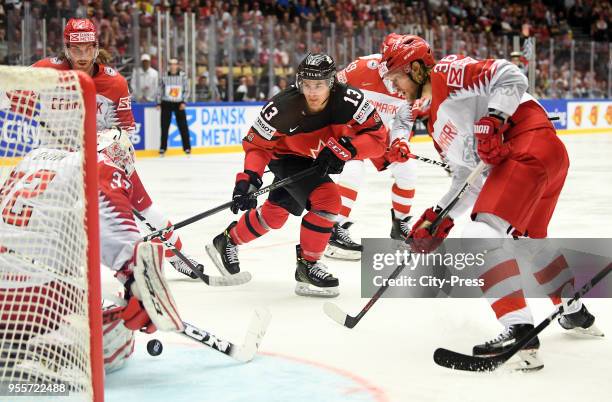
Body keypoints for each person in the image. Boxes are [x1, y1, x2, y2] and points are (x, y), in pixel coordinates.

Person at [380, 34, 602, 370]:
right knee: (530, 243)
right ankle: (574, 313)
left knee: (480, 235)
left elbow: (511, 75)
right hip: (542, 158)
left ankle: (519, 329)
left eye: (397, 77)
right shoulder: (438, 126)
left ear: (415, 68)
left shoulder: (446, 72)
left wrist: (494, 120)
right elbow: (469, 179)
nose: (395, 87)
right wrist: (439, 217)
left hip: (529, 144)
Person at [0, 127, 183, 377]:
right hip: (36, 299)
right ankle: (49, 352)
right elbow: (110, 225)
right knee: (120, 339)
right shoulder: (101, 163)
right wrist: (137, 282)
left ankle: (16, 340)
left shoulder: (34, 157)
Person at [206, 53, 388, 297]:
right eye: (307, 85)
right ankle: (308, 265)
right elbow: (258, 146)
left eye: (319, 85)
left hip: (314, 157)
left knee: (275, 215)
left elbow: (378, 139)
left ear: (332, 83)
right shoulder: (282, 106)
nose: (312, 92)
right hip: (287, 157)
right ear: (299, 82)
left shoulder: (351, 100)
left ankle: (228, 240)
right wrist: (248, 179)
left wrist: (347, 150)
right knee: (328, 199)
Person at [32, 18, 202, 279]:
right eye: (76, 49)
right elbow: (9, 92)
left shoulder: (114, 83)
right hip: (58, 162)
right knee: (61, 218)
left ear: (96, 47)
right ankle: (66, 278)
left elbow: (125, 129)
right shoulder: (46, 72)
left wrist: (107, 151)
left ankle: (177, 255)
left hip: (104, 157)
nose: (82, 55)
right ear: (66, 48)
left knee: (143, 206)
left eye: (88, 48)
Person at [327, 33, 428, 260]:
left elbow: (403, 121)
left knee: (407, 168)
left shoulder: (417, 83)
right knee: (353, 169)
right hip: (351, 128)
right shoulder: (361, 68)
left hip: (381, 133)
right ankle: (334, 230)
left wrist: (400, 142)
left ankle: (399, 225)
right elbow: (330, 93)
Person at [157, 58, 191, 156]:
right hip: (166, 103)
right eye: (171, 64)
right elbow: (160, 89)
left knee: (183, 126)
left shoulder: (183, 76)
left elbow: (187, 89)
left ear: (178, 65)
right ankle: (163, 148)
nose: (173, 66)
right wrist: (159, 103)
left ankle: (187, 148)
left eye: (175, 64)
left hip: (179, 103)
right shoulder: (164, 76)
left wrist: (184, 101)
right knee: (164, 127)